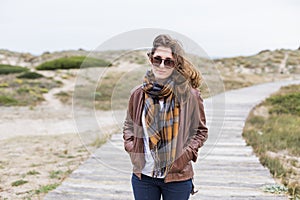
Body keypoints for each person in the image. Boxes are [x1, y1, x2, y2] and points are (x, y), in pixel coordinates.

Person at [123, 34, 208, 200]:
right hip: (144, 176)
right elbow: (129, 125)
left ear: (175, 63)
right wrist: (131, 147)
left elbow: (200, 131)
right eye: (157, 59)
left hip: (177, 176)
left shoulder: (189, 95)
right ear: (151, 59)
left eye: (168, 61)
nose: (161, 65)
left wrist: (186, 155)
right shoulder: (138, 94)